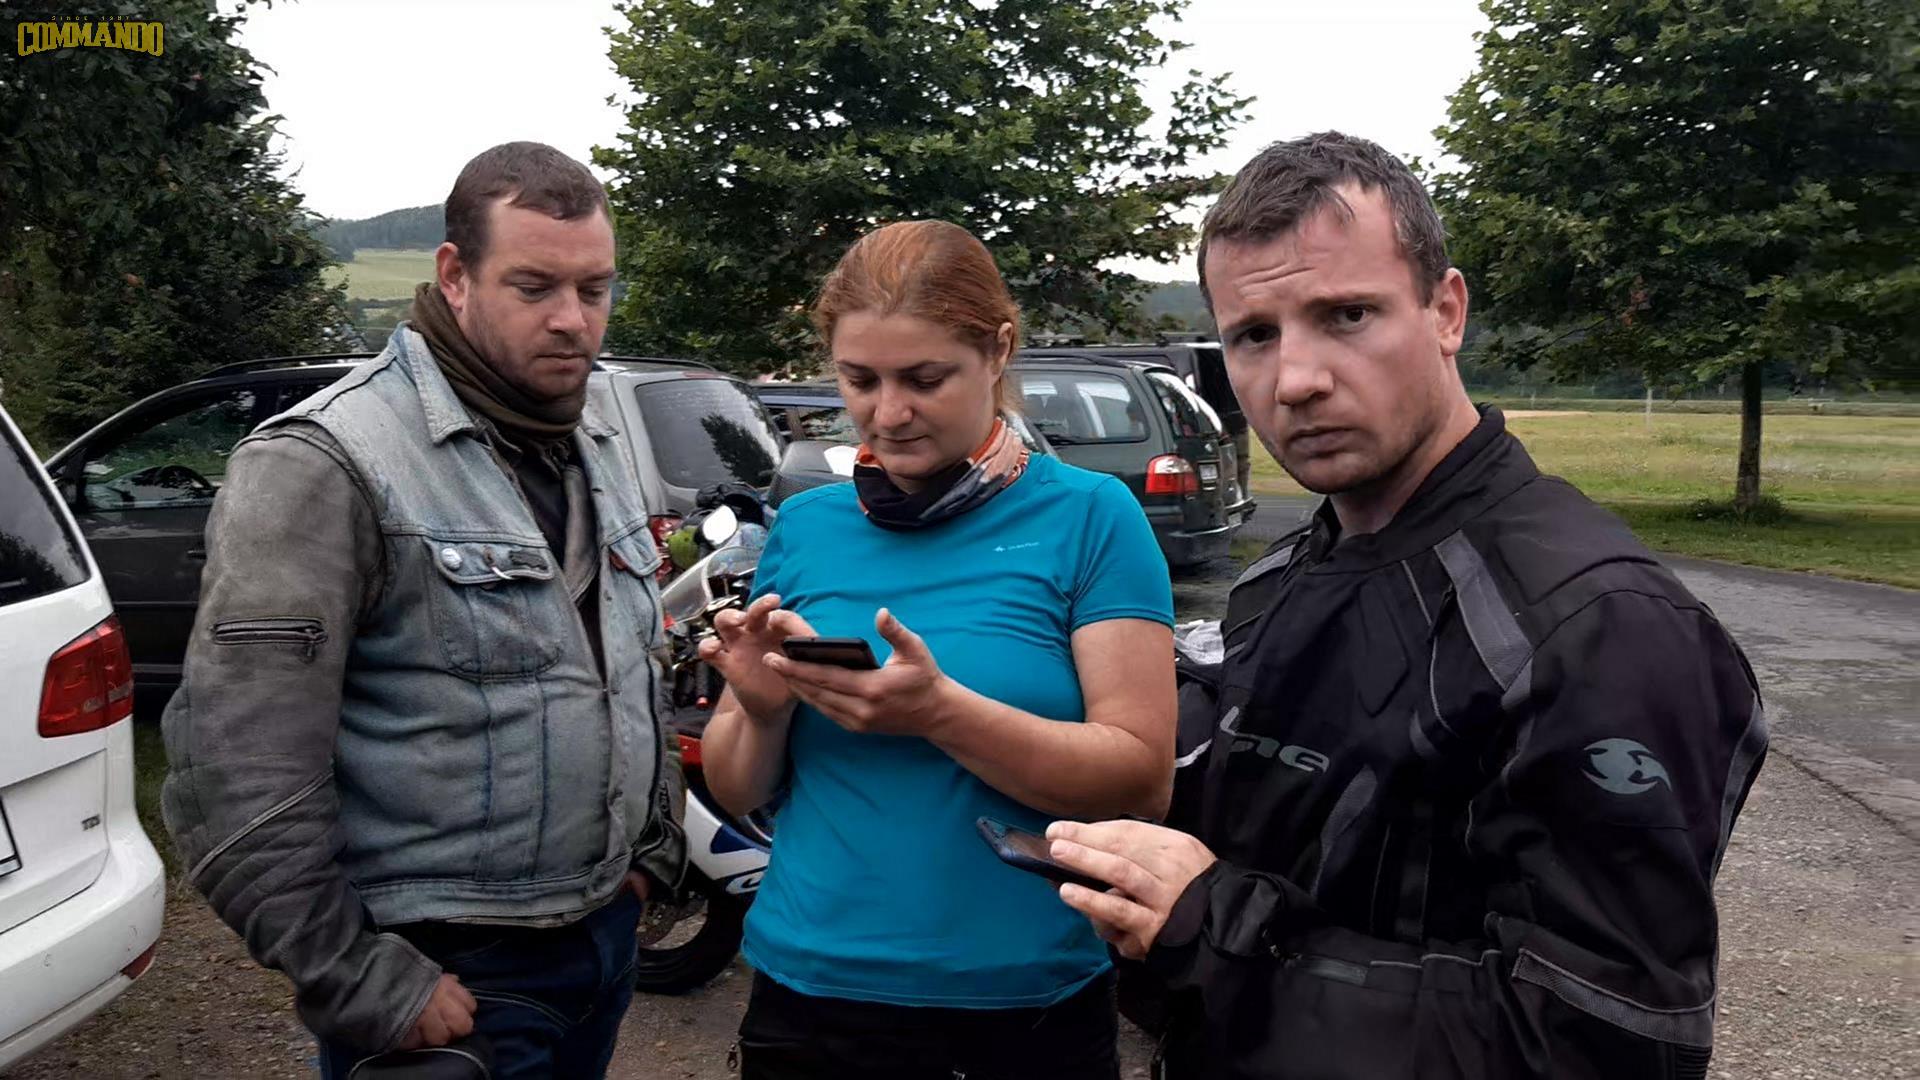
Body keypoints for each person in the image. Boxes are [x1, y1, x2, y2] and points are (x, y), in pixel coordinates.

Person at [1045, 132, 1769, 1078]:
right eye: (1254, 335)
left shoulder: (1598, 628)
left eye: (1347, 315)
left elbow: (1605, 1044)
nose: (1295, 380)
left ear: (1446, 311)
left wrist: (1213, 926)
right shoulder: (1289, 571)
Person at [162, 142, 685, 1078]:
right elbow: (233, 765)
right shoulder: (323, 461)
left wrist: (651, 850)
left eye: (595, 288)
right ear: (454, 275)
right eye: (534, 287)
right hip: (449, 982)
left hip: (601, 944)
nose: (573, 321)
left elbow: (629, 666)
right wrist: (357, 980)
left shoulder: (592, 437)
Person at [698, 220, 1176, 1079]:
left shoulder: (1092, 517)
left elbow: (1142, 780)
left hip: (1024, 1005)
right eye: (860, 380)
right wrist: (762, 710)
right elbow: (739, 789)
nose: (889, 413)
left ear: (998, 351)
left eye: (924, 379)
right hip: (810, 994)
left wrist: (939, 713)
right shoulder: (806, 526)